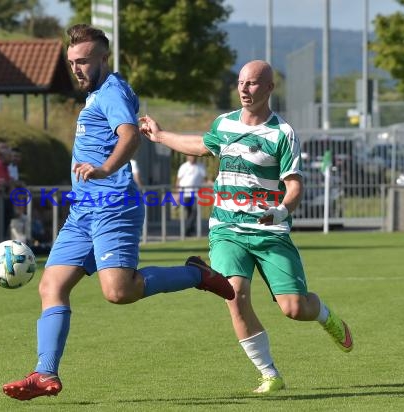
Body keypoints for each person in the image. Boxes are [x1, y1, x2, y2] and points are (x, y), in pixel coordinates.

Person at [2, 24, 235, 401]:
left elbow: (128, 135)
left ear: (103, 58)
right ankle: (44, 373)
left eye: (84, 61)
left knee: (119, 292)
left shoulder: (111, 93)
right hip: (83, 212)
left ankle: (196, 274)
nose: (76, 68)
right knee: (51, 286)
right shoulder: (96, 94)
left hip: (113, 207)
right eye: (72, 61)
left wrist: (106, 168)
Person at [140, 60, 353, 394]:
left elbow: (294, 186)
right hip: (226, 228)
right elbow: (201, 145)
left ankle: (326, 316)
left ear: (269, 88)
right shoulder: (224, 124)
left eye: (253, 83)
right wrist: (161, 135)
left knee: (294, 309)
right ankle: (270, 374)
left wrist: (281, 211)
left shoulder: (283, 134)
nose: (244, 89)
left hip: (270, 233)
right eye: (241, 82)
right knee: (233, 294)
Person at [176, 155, 207, 236]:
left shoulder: (200, 167)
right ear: (187, 157)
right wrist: (178, 194)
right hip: (185, 193)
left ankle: (186, 230)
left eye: (193, 156)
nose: (192, 158)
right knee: (189, 212)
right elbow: (178, 181)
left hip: (196, 194)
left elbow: (204, 180)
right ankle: (190, 229)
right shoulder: (183, 167)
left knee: (194, 211)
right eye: (190, 156)